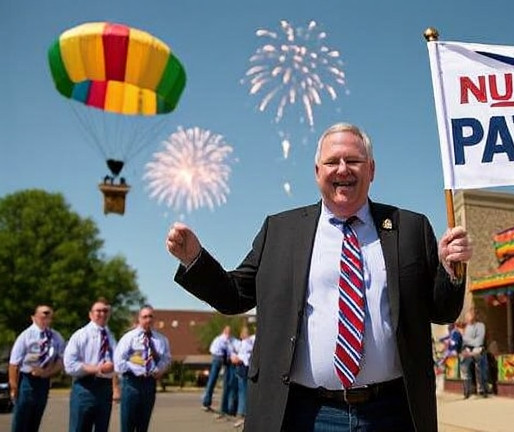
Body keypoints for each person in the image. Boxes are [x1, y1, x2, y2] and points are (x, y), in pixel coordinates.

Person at [166, 122, 472, 432]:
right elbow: (234, 296)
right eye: (332, 161)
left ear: (372, 170)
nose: (343, 169)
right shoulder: (280, 231)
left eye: (353, 160)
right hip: (304, 413)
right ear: (316, 171)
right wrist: (195, 259)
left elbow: (442, 310)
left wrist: (451, 271)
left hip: (393, 412)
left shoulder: (409, 228)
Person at [64, 298, 120, 432]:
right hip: (85, 387)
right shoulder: (80, 335)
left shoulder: (111, 337)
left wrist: (116, 386)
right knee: (79, 427)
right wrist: (98, 368)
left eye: (105, 311)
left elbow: (117, 364)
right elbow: (70, 365)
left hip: (105, 389)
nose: (102, 313)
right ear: (90, 314)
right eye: (98, 311)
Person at [8, 304, 66, 432]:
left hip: (43, 382)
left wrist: (47, 373)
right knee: (21, 418)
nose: (46, 318)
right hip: (27, 381)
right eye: (42, 315)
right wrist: (14, 387)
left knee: (36, 417)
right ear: (33, 318)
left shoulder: (56, 337)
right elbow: (14, 363)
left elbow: (62, 360)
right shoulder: (26, 336)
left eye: (49, 315)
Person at [114, 305, 172, 432]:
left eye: (150, 316)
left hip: (150, 384)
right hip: (131, 383)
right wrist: (136, 369)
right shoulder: (129, 338)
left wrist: (160, 370)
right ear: (139, 319)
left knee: (143, 424)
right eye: (145, 317)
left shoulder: (161, 340)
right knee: (128, 423)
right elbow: (118, 362)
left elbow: (166, 358)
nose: (148, 319)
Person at [201, 325, 237, 417]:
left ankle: (227, 407)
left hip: (228, 360)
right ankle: (206, 402)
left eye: (229, 331)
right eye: (227, 331)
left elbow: (234, 348)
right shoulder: (219, 339)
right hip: (218, 358)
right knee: (212, 379)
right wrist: (221, 355)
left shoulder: (232, 340)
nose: (228, 333)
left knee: (228, 382)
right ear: (224, 331)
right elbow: (213, 350)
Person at [460, 309, 488, 399]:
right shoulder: (467, 327)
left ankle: (482, 390)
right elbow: (464, 341)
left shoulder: (480, 326)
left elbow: (478, 342)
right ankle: (467, 391)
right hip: (468, 350)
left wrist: (467, 340)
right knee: (464, 368)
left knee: (480, 369)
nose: (467, 319)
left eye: (468, 317)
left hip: (478, 350)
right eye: (466, 317)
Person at [232, 326, 256, 428]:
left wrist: (238, 358)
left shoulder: (247, 342)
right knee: (243, 390)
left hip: (242, 367)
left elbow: (245, 356)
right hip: (242, 366)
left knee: (243, 391)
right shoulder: (247, 341)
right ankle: (242, 412)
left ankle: (242, 414)